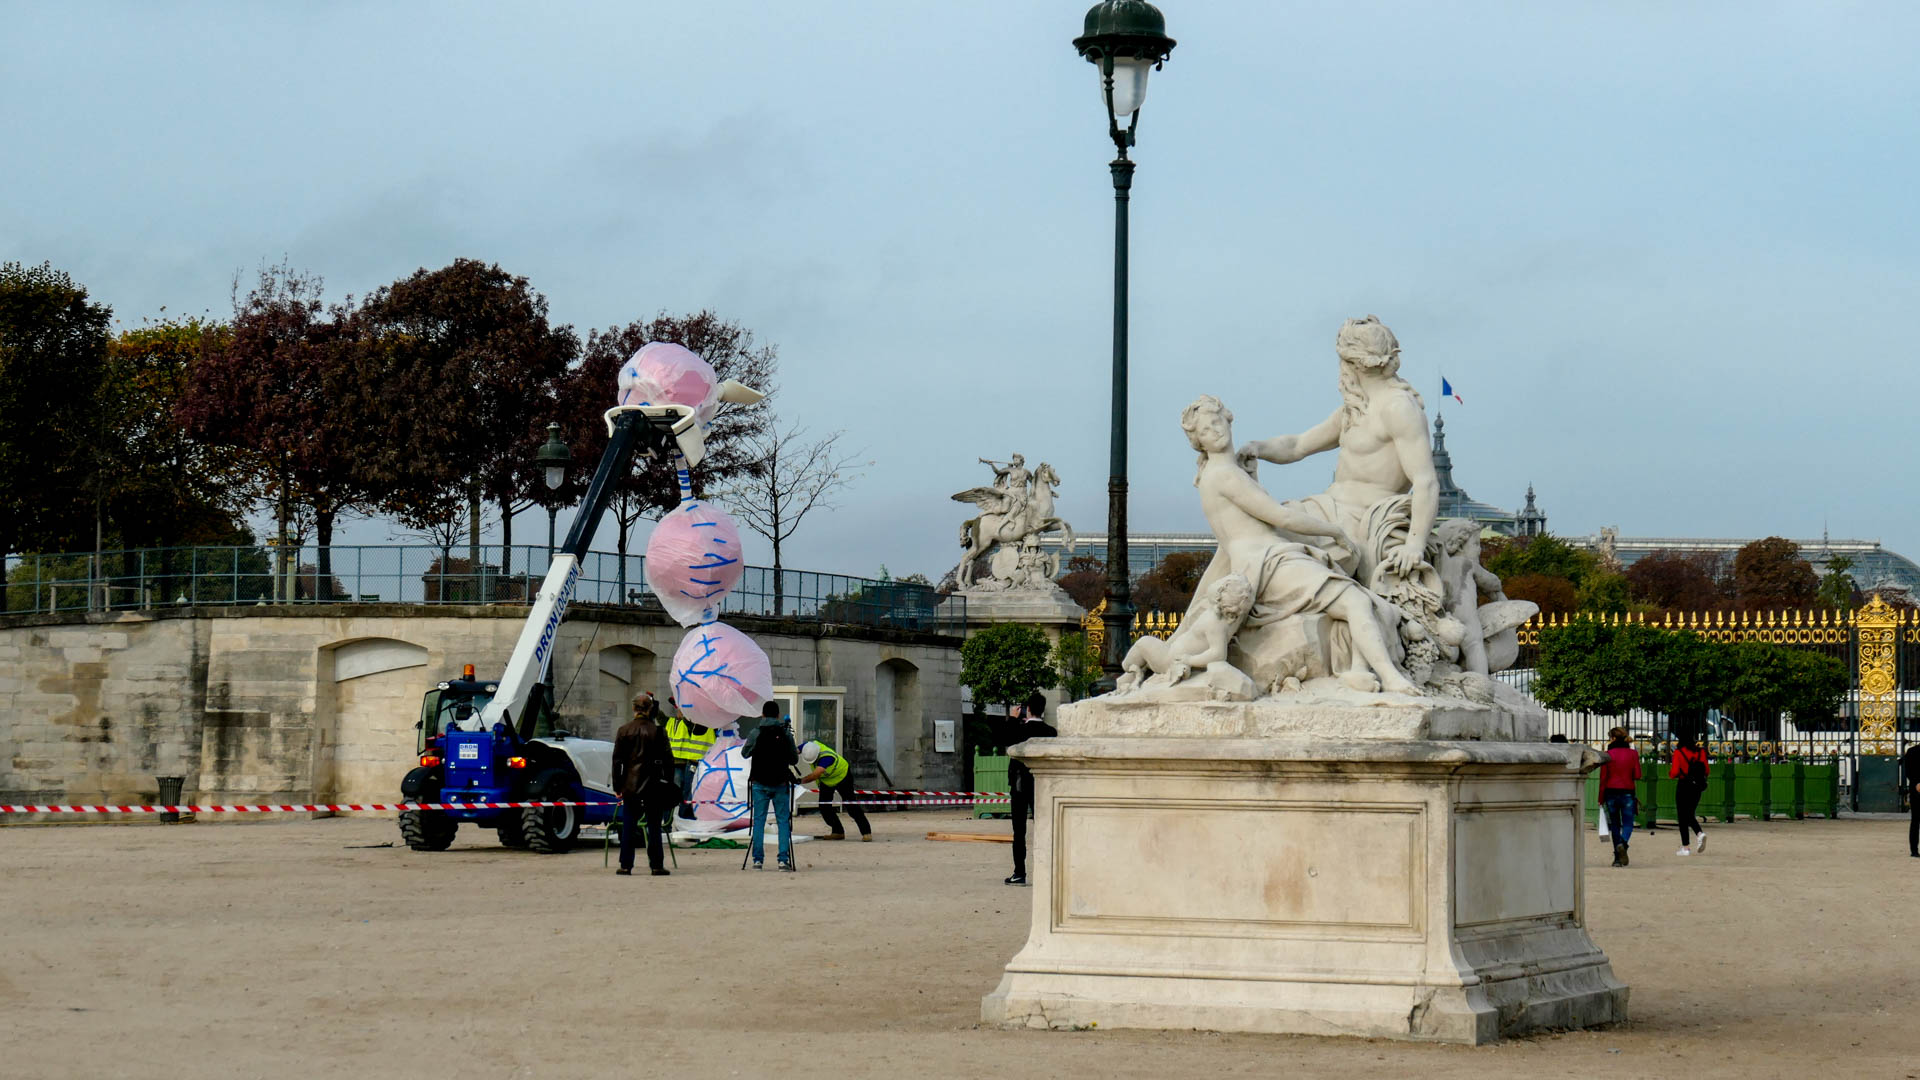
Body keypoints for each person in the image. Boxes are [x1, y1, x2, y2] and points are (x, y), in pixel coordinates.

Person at [611, 693, 676, 877]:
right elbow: (668, 761)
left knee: (629, 825)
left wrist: (617, 786)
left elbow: (617, 762)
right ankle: (656, 865)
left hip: (630, 785)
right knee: (654, 826)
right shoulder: (658, 732)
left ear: (634, 709)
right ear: (650, 709)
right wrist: (668, 782)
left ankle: (626, 865)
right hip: (653, 785)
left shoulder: (624, 730)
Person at [998, 692, 1057, 886]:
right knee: (1045, 827)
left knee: (1019, 830)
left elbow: (1004, 738)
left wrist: (1013, 718)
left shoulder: (1020, 729)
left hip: (1019, 784)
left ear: (1027, 709)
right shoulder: (1051, 732)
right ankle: (1047, 870)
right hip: (1042, 784)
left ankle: (1019, 872)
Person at [741, 701, 798, 871]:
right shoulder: (785, 733)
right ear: (778, 715)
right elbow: (794, 759)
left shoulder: (756, 732)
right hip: (780, 783)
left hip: (759, 783)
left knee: (759, 821)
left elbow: (744, 754)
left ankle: (758, 861)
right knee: (783, 821)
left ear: (763, 714)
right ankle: (783, 860)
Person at [797, 738, 870, 842]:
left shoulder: (827, 758)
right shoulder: (809, 747)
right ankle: (837, 831)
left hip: (842, 777)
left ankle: (866, 832)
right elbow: (795, 750)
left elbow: (815, 775)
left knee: (851, 805)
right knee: (824, 807)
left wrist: (799, 781)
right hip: (826, 781)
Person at [662, 699, 715, 820]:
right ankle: (683, 816)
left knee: (691, 791)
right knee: (685, 791)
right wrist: (682, 706)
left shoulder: (708, 726)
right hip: (690, 763)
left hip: (701, 765)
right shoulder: (691, 725)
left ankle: (687, 815)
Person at [1598, 727, 1642, 868]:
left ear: (1613, 738)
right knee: (1628, 823)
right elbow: (1637, 775)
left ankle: (1617, 859)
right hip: (1627, 791)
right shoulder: (1633, 754)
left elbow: (1603, 778)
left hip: (1610, 792)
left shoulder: (1608, 755)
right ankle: (1623, 844)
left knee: (1615, 825)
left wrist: (1600, 797)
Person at [1669, 731, 1711, 856]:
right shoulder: (1701, 752)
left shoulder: (1678, 752)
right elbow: (1706, 770)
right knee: (1689, 813)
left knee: (1682, 816)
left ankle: (1687, 846)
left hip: (1683, 785)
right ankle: (1698, 834)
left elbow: (1674, 772)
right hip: (1697, 786)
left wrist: (1672, 774)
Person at [1904, 742, 1920, 858]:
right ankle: (1914, 850)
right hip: (1917, 789)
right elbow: (1908, 771)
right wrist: (1917, 782)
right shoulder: (1912, 752)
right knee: (1916, 820)